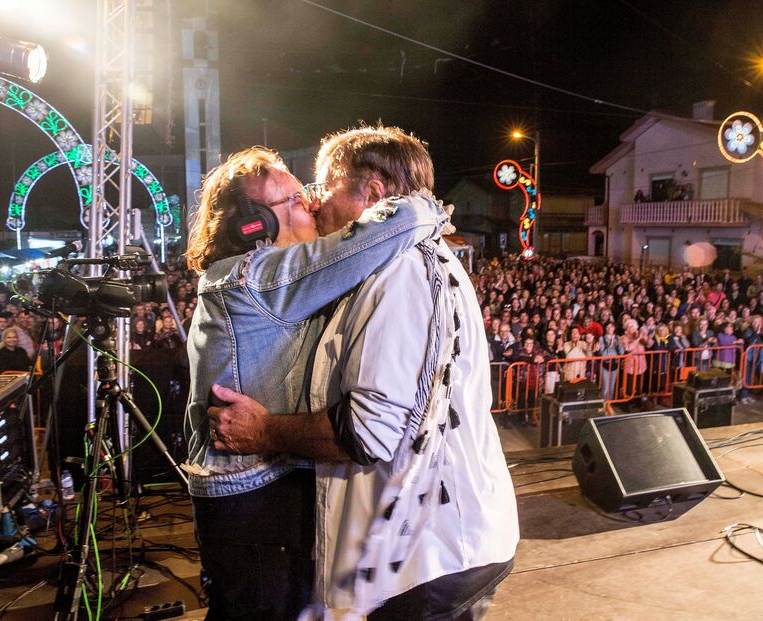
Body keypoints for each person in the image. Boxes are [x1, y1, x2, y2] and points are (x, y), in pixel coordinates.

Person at [210, 126, 519, 619]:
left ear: (372, 194)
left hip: (424, 561)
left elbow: (366, 433)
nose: (313, 205)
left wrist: (263, 430)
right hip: (416, 553)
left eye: (321, 188)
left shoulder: (401, 273)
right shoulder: (398, 263)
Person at [184, 145, 449, 620]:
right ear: (253, 225)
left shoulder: (280, 277)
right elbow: (398, 225)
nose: (308, 203)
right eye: (290, 200)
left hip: (272, 487)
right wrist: (425, 202)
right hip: (254, 496)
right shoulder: (252, 277)